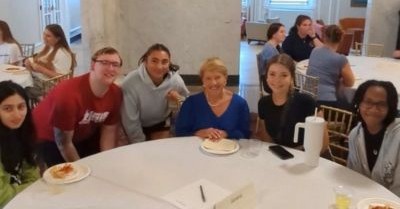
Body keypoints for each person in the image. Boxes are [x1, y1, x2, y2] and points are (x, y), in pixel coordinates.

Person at [33, 47, 123, 167]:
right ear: (92, 65)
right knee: (68, 176)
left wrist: (107, 163)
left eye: (115, 64)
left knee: (101, 165)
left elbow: (109, 132)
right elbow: (63, 143)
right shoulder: (68, 95)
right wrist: (82, 169)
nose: (110, 68)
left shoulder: (116, 93)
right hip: (49, 138)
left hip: (81, 134)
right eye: (104, 63)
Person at [258, 54, 329, 150]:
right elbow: (266, 139)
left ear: (292, 78)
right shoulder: (263, 103)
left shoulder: (307, 103)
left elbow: (323, 144)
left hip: (304, 157)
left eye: (284, 75)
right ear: (266, 77)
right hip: (278, 157)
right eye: (272, 74)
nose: (277, 80)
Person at [121, 43, 189, 142]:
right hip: (134, 125)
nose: (159, 66)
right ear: (145, 62)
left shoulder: (176, 81)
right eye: (154, 61)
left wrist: (178, 99)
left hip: (160, 124)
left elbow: (188, 107)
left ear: (169, 63)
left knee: (160, 152)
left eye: (164, 62)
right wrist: (140, 143)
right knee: (136, 153)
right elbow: (130, 121)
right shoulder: (130, 82)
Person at [175, 57, 251, 140]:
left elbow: (245, 134)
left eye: (217, 77)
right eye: (208, 78)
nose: (213, 83)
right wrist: (199, 133)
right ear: (203, 81)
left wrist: (227, 134)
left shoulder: (240, 104)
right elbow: (179, 133)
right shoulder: (190, 103)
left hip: (229, 151)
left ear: (225, 78)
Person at [347, 80, 400, 196]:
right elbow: (352, 177)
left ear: (390, 108)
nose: (374, 109)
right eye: (368, 102)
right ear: (359, 104)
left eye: (381, 104)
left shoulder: (397, 136)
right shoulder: (355, 136)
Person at [0, 81, 39, 207]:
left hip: (22, 198)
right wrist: (32, 188)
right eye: (7, 108)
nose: (17, 115)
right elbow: (2, 197)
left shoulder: (22, 131)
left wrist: (32, 187)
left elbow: (32, 172)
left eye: (21, 106)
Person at [307, 24, 355, 108]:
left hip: (307, 97)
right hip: (325, 103)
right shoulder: (340, 59)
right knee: (352, 108)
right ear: (341, 39)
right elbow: (350, 83)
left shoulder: (315, 51)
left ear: (324, 37)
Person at [24, 24, 76, 95]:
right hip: (40, 80)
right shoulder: (48, 47)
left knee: (22, 88)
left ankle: (41, 102)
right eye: (44, 34)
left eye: (48, 36)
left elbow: (62, 78)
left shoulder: (62, 53)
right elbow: (37, 61)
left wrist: (41, 69)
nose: (44, 38)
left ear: (57, 39)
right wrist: (29, 62)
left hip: (49, 86)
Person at [257, 22, 286, 93]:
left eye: (284, 32)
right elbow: (275, 70)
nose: (284, 35)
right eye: (281, 32)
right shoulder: (270, 50)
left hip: (271, 78)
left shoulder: (275, 46)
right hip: (270, 82)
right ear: (273, 34)